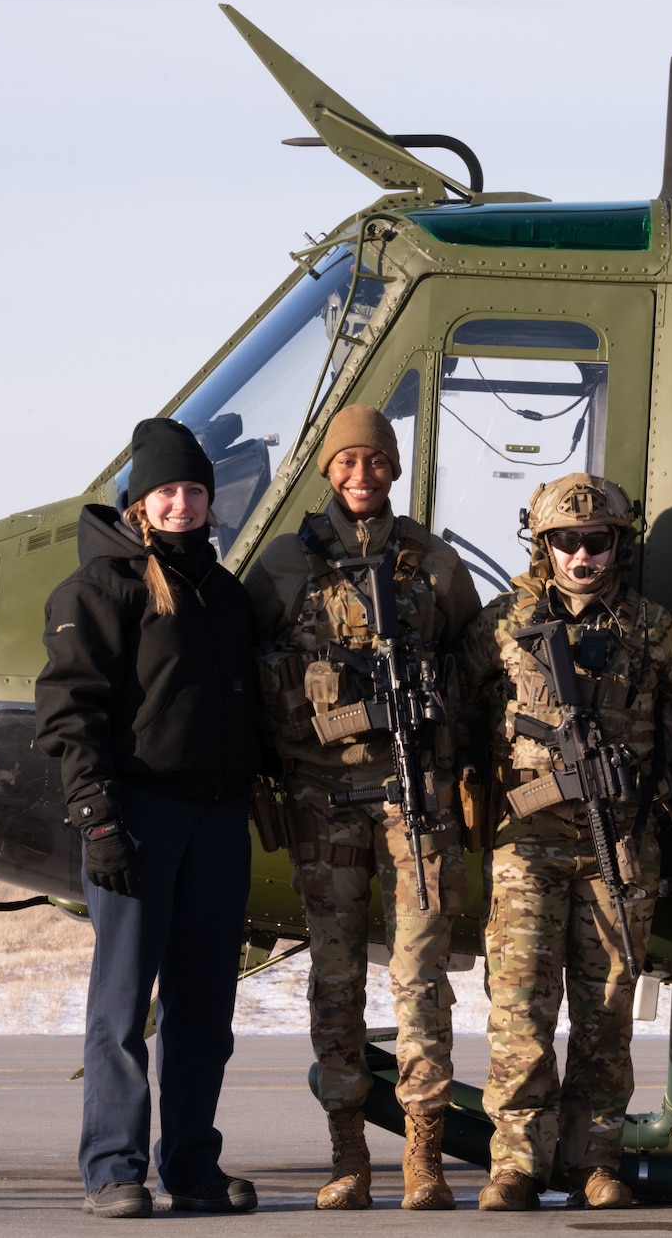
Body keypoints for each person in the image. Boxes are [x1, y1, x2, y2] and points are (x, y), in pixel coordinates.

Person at [244, 404, 481, 1210]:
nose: (361, 475)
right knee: (336, 977)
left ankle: (424, 1158)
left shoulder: (433, 563)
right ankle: (348, 1157)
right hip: (322, 798)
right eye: (347, 462)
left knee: (420, 980)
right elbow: (245, 669)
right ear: (327, 470)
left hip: (412, 797)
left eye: (375, 461)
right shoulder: (284, 564)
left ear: (393, 469)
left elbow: (471, 660)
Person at [461, 473, 672, 1211]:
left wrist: (647, 774)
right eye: (565, 542)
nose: (581, 555)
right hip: (526, 841)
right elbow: (461, 704)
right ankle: (516, 1163)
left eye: (596, 540)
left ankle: (596, 1159)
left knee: (606, 1009)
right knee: (521, 1007)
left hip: (618, 841)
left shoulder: (654, 630)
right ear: (543, 546)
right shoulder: (503, 624)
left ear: (617, 545)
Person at [36, 418, 263, 1218]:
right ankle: (113, 1167)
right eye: (166, 490)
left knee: (205, 1006)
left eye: (193, 490)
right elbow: (70, 710)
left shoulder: (226, 595)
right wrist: (97, 817)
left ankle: (193, 1164)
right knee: (124, 1003)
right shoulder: (100, 588)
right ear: (138, 501)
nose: (180, 503)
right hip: (139, 816)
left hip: (217, 821)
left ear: (210, 501)